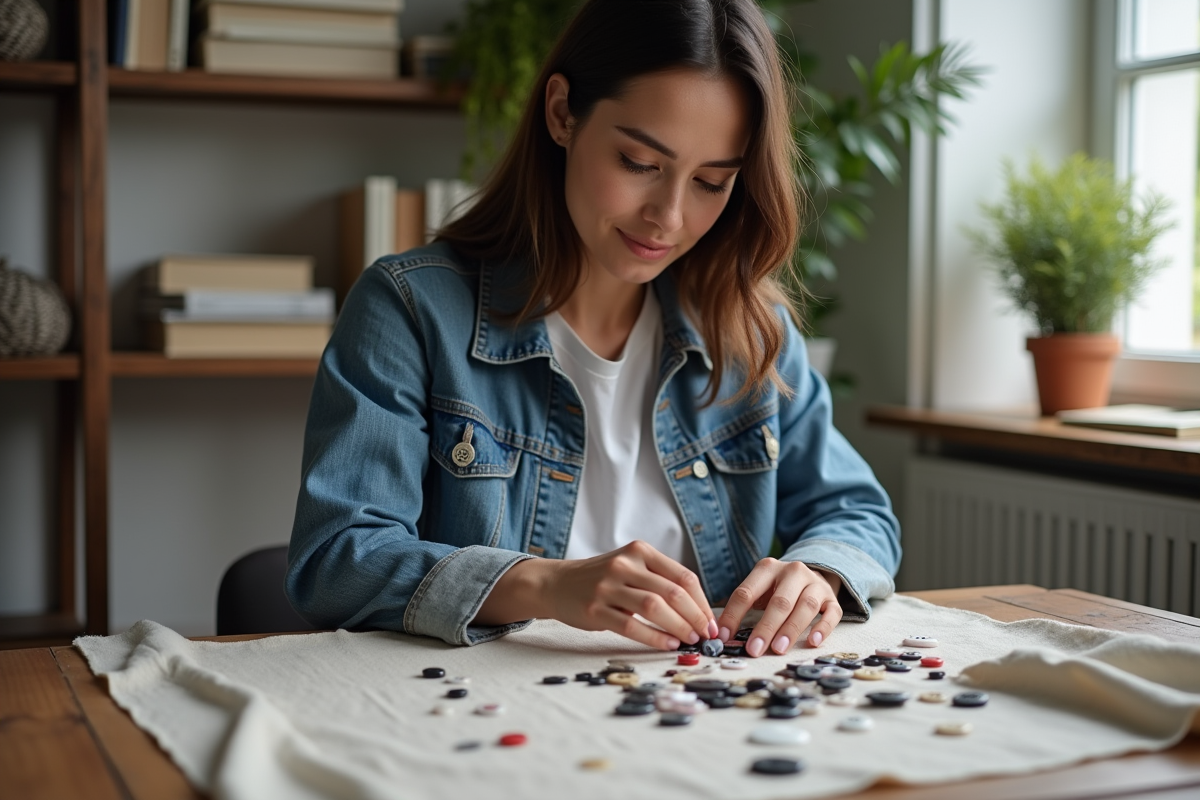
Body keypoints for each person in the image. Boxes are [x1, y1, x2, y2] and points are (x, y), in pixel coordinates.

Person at [286, 0, 900, 657]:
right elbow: (337, 561)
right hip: (481, 706)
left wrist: (819, 573)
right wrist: (545, 585)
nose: (669, 216)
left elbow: (858, 514)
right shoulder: (411, 309)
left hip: (693, 704)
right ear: (561, 113)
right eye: (639, 163)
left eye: (711, 182)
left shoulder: (749, 327)